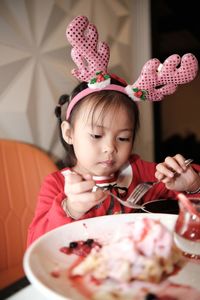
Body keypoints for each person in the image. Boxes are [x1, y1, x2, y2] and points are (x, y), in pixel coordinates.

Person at [27, 16, 200, 246]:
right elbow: (35, 246)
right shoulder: (57, 185)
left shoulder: (144, 175)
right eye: (97, 135)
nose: (110, 148)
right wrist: (71, 208)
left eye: (123, 137)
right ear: (69, 133)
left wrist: (192, 186)